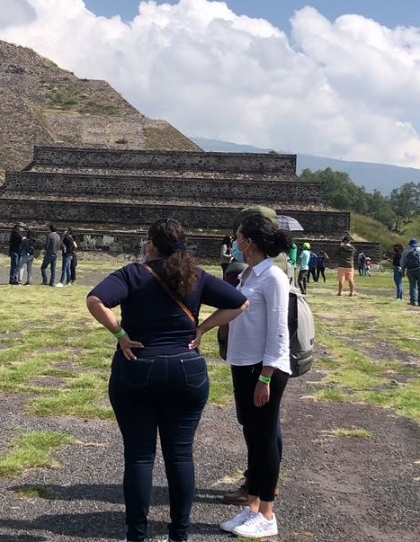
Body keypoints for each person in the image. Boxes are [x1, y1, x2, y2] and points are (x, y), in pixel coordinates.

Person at [86, 218, 247, 542]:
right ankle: (179, 535)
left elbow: (95, 300)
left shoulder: (133, 273)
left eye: (147, 240)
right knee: (180, 455)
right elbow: (240, 302)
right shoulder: (194, 275)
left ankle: (137, 535)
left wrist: (120, 334)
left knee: (139, 456)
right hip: (186, 369)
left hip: (138, 366)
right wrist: (201, 329)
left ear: (152, 244)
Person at [221, 213, 293, 539]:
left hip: (262, 370)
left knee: (264, 441)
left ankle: (267, 513)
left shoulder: (273, 277)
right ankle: (251, 507)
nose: (234, 242)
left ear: (249, 242)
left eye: (237, 237)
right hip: (243, 364)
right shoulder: (248, 274)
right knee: (252, 438)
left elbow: (278, 332)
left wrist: (266, 376)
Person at [401, 238, 420, 306]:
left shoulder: (406, 251)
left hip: (410, 270)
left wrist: (403, 270)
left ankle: (413, 301)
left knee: (412, 286)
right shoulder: (419, 249)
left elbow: (402, 262)